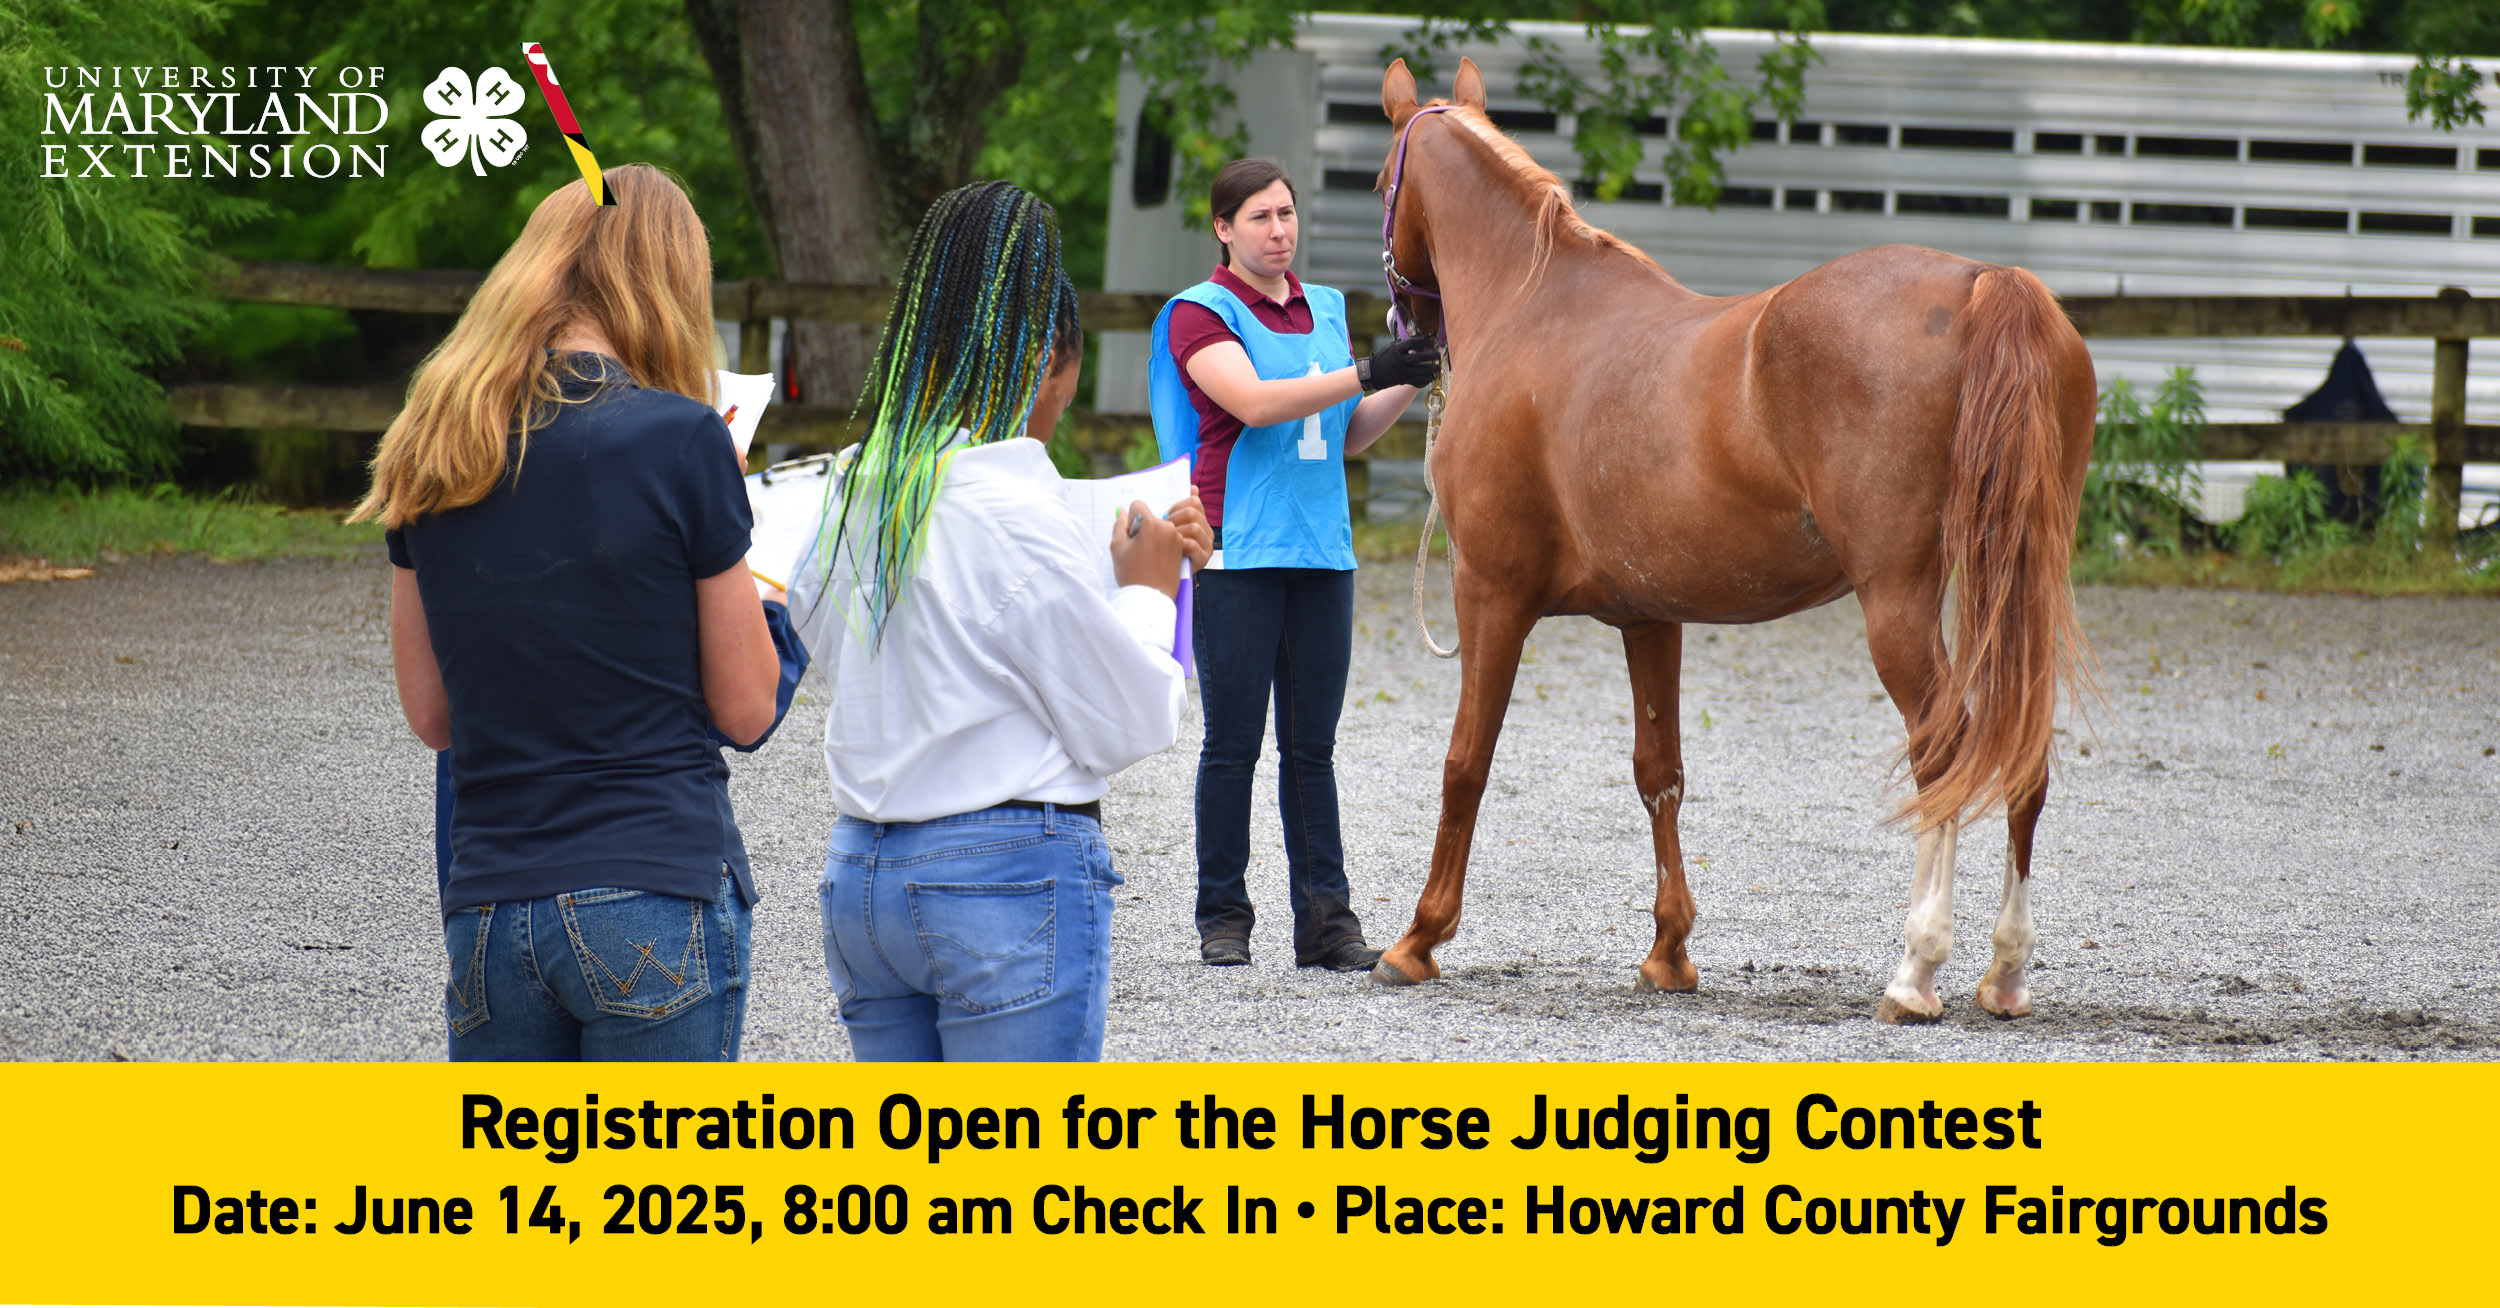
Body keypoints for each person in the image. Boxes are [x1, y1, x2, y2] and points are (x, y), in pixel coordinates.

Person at [357, 164, 788, 1061]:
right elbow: (746, 709)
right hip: (652, 887)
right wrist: (775, 603)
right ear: (668, 281)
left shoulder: (432, 446)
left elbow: (433, 717)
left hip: (488, 914)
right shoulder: (684, 437)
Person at [791, 180, 1210, 1062]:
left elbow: (841, 626)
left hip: (865, 874)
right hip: (999, 878)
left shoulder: (860, 486)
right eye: (1067, 379)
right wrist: (1147, 594)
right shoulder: (1011, 513)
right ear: (1039, 367)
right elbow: (1129, 718)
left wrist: (1110, 567)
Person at [1147, 157, 1440, 970]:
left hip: (1322, 550)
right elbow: (1254, 403)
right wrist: (1365, 369)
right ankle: (1223, 916)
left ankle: (1326, 923)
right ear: (1224, 229)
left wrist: (1411, 375)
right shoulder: (1198, 314)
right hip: (1235, 551)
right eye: (1260, 219)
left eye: (1287, 214)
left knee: (1311, 749)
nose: (1279, 231)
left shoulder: (1329, 309)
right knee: (1232, 744)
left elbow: (1344, 433)